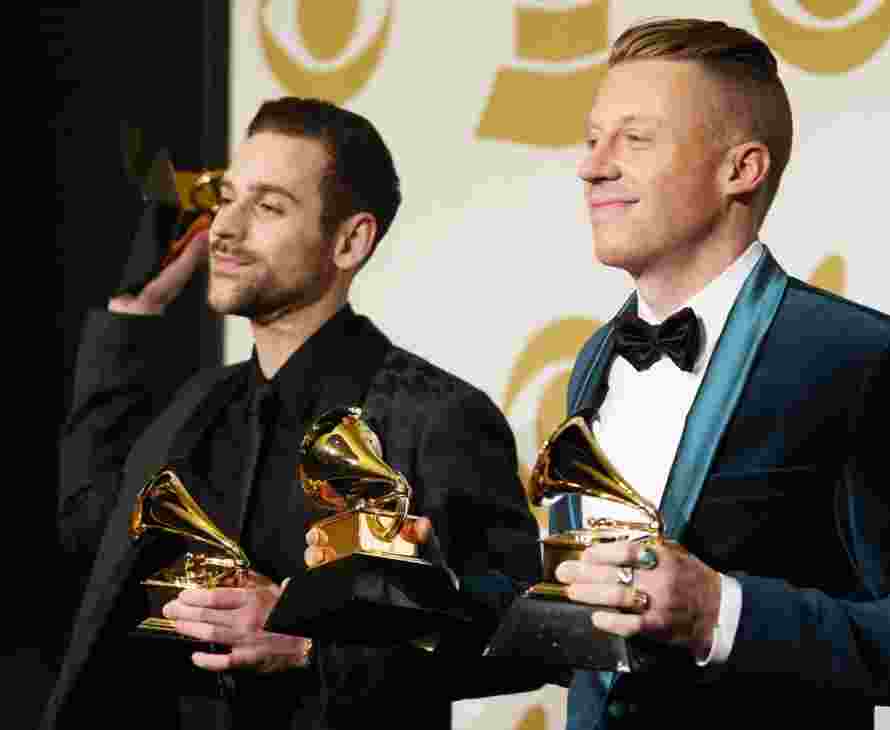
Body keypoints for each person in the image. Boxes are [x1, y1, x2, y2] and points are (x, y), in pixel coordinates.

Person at [545, 18, 890, 728]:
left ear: (741, 170)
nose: (592, 165)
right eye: (592, 138)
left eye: (634, 139)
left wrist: (719, 612)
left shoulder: (862, 359)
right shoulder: (597, 358)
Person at [47, 97, 540, 729]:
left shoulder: (435, 416)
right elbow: (91, 526)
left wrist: (309, 645)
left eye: (269, 206)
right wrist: (131, 318)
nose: (224, 228)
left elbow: (523, 631)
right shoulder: (200, 406)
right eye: (226, 197)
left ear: (350, 241)